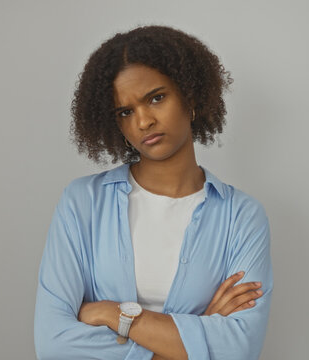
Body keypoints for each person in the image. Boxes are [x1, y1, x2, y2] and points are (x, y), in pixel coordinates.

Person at [34, 25, 273, 360]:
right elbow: (54, 345)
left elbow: (240, 347)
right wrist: (201, 330)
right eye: (125, 112)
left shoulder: (241, 217)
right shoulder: (82, 203)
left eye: (156, 98)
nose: (143, 121)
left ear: (190, 97)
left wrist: (115, 315)